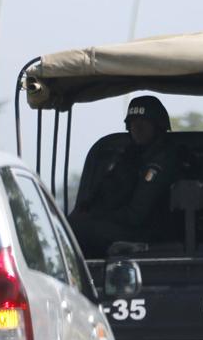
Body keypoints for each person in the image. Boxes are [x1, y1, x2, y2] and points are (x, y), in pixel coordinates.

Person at [69, 95, 180, 257]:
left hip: (151, 233)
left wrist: (95, 216)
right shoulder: (130, 157)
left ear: (157, 125)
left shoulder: (162, 161)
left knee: (76, 229)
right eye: (133, 122)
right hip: (130, 226)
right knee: (70, 226)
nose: (138, 128)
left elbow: (136, 215)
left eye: (144, 122)